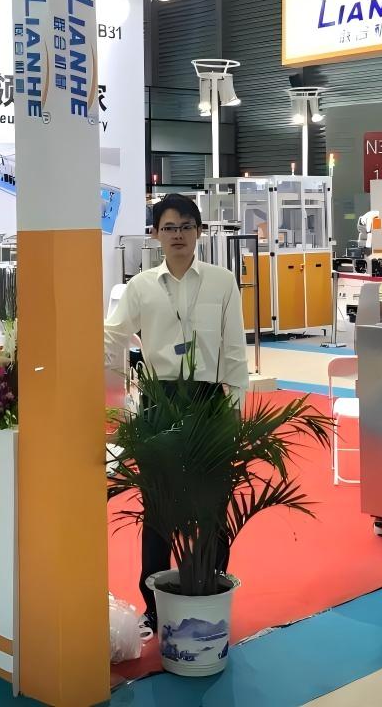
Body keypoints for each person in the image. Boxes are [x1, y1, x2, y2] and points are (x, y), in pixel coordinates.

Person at [104, 193, 249, 631]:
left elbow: (235, 349)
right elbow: (112, 337)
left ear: (199, 231)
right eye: (169, 227)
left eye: (186, 226)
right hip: (159, 402)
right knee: (158, 508)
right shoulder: (140, 287)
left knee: (212, 504)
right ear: (155, 234)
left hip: (209, 400)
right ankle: (153, 606)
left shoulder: (222, 281)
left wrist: (235, 412)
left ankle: (208, 589)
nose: (178, 234)